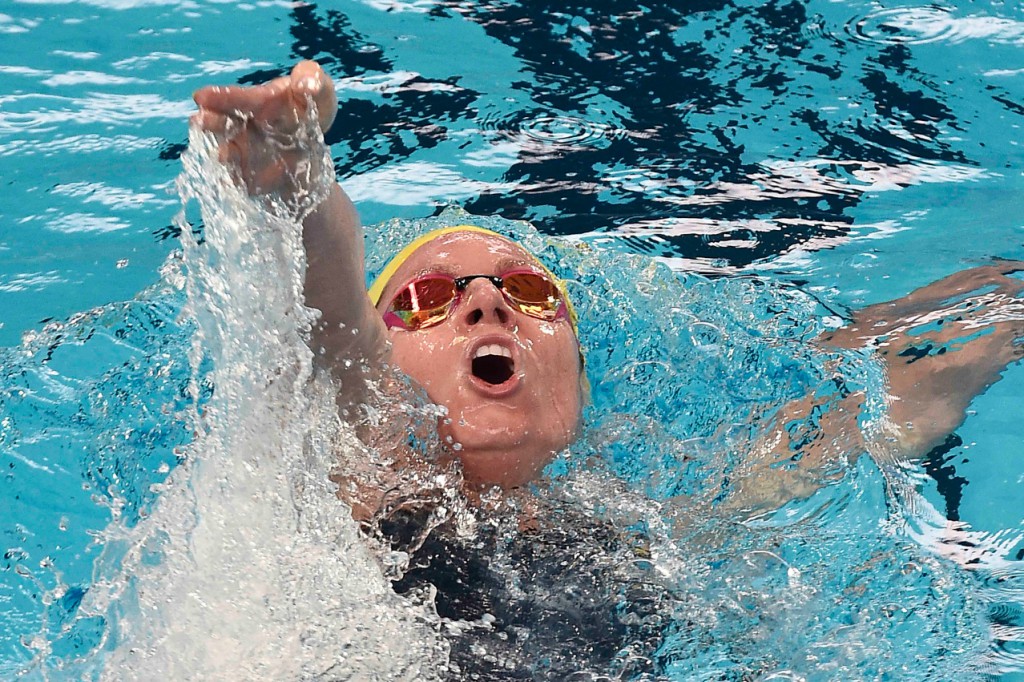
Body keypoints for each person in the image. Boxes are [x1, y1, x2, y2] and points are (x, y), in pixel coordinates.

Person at [192, 60, 1024, 675]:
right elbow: (332, 318)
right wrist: (302, 178)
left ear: (580, 386)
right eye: (426, 299)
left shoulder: (643, 540)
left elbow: (862, 418)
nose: (487, 307)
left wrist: (998, 317)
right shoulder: (357, 479)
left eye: (524, 289)